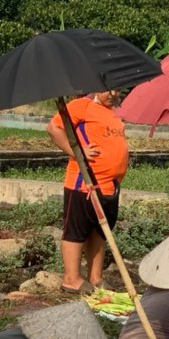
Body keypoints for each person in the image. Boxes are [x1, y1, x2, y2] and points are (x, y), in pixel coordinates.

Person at [47, 89, 129, 294]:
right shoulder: (81, 105)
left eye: (116, 89)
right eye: (106, 89)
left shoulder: (113, 111)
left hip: (108, 185)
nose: (112, 93)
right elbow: (54, 128)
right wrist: (77, 150)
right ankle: (71, 278)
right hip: (83, 182)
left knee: (100, 230)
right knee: (77, 230)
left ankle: (96, 277)